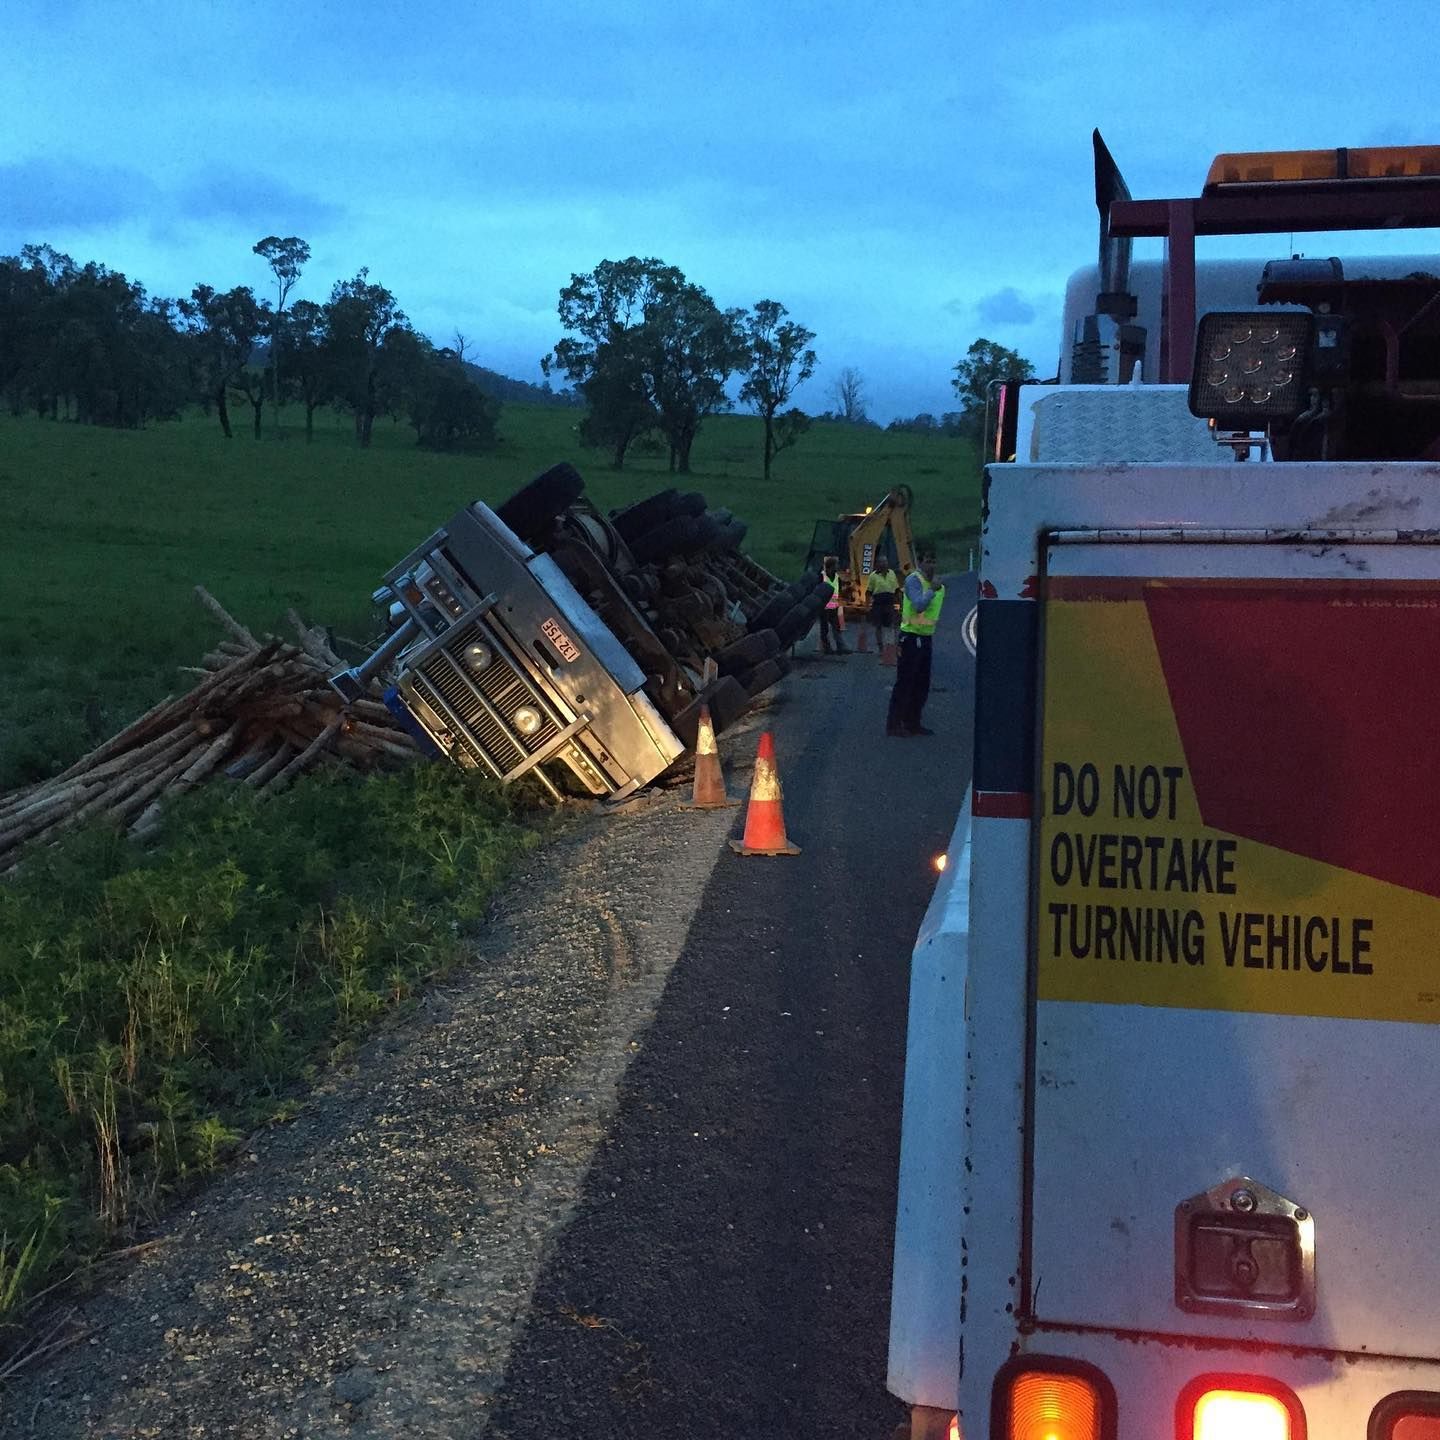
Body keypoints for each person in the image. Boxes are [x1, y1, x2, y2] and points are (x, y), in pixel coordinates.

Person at [887, 552, 944, 736]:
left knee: (922, 684)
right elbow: (919, 605)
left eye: (934, 560)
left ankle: (913, 722)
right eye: (928, 561)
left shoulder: (937, 584)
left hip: (926, 637)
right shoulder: (914, 580)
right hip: (910, 637)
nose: (931, 565)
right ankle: (894, 724)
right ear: (920, 562)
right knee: (905, 683)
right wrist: (931, 591)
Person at [867, 557, 900, 651]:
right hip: (878, 603)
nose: (884, 564)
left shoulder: (892, 573)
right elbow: (869, 591)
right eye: (881, 562)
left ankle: (890, 646)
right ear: (877, 564)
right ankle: (881, 647)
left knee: (891, 625)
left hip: (889, 603)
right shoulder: (873, 576)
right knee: (878, 626)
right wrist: (867, 606)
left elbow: (896, 589)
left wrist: (900, 603)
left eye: (885, 561)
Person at [819, 555, 848, 655]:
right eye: (836, 565)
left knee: (837, 627)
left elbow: (839, 591)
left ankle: (841, 647)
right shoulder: (821, 576)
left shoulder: (837, 577)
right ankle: (827, 648)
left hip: (834, 606)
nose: (838, 567)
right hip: (824, 607)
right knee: (825, 628)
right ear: (831, 566)